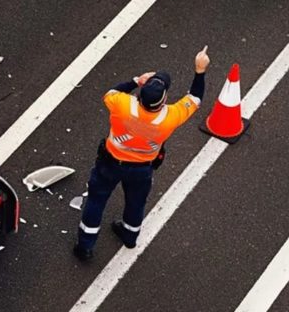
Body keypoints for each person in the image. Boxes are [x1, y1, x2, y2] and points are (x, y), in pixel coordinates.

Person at [73, 46, 210, 261]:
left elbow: (111, 93)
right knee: (136, 202)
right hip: (141, 169)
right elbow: (195, 98)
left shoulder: (123, 105)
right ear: (163, 101)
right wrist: (200, 70)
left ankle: (85, 246)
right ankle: (129, 235)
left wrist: (137, 80)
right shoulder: (170, 117)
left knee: (96, 201)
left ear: (140, 97)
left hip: (109, 163)